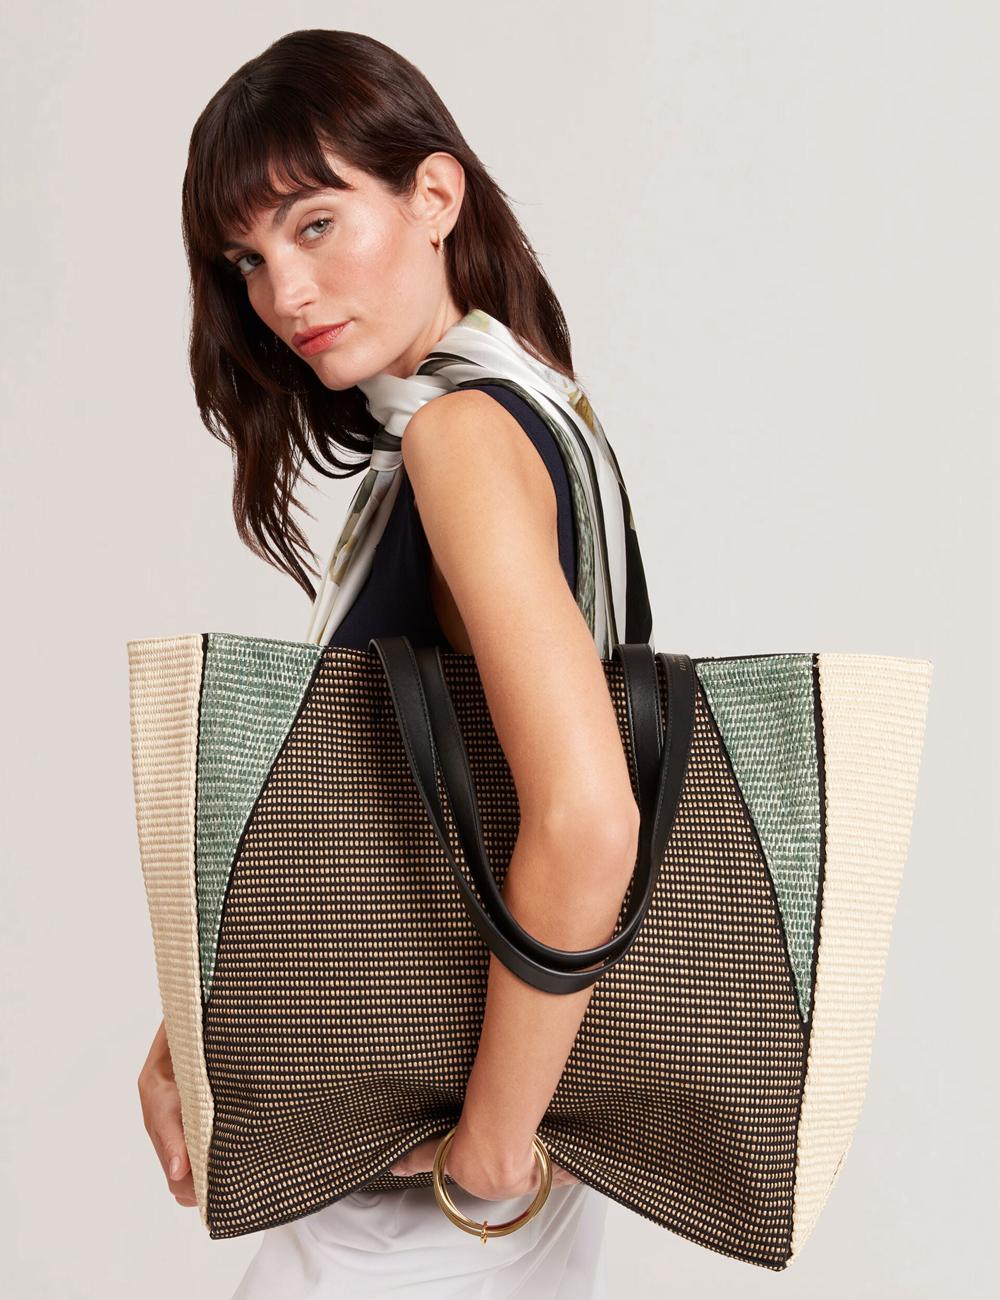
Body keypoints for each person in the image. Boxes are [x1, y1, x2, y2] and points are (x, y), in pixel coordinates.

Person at [137, 28, 655, 1298]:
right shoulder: (537, 408)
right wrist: (199, 1013)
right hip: (468, 1157)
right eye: (248, 259)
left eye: (314, 224)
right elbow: (393, 815)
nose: (283, 294)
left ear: (434, 195)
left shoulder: (460, 437)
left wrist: (489, 1151)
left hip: (426, 1192)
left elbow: (588, 819)